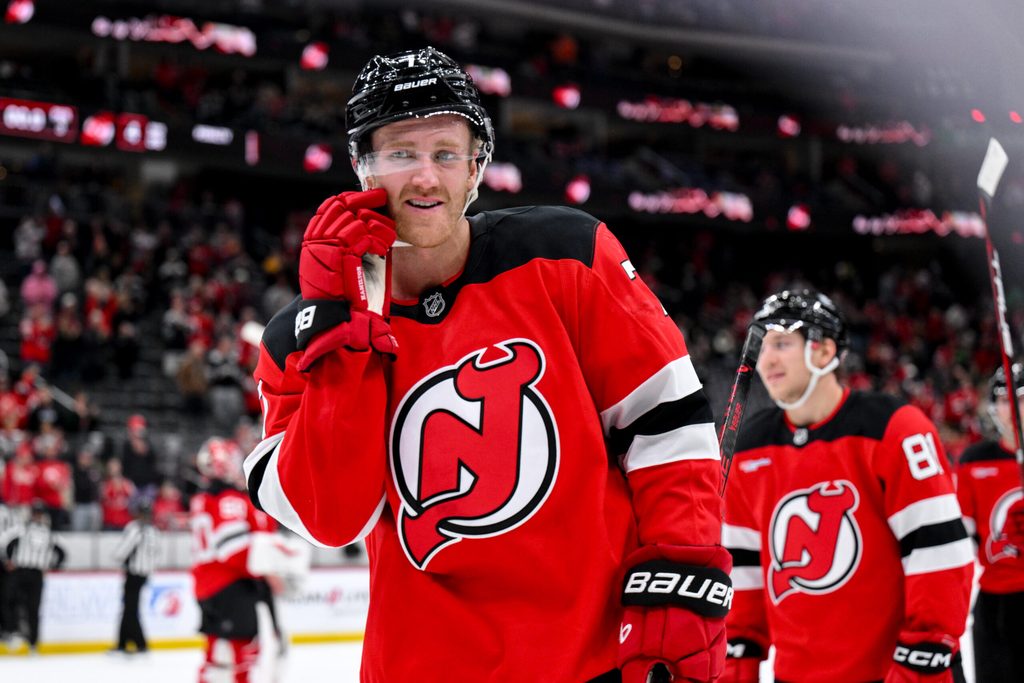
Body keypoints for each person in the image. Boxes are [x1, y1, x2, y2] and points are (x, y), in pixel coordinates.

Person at [244, 46, 727, 682]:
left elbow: (667, 424)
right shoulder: (294, 341)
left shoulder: (567, 256)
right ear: (361, 167)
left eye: (446, 153)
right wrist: (340, 335)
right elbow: (333, 519)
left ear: (477, 169)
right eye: (400, 153)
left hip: (590, 663)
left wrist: (684, 570)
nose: (425, 177)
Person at [721, 289, 973, 682]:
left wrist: (918, 665)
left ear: (824, 353)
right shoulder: (749, 446)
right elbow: (744, 576)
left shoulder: (894, 428)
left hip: (898, 673)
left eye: (782, 343)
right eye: (763, 344)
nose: (766, 358)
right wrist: (737, 669)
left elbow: (940, 558)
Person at [955, 362, 1024, 682]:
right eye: (1004, 399)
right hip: (994, 604)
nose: (1012, 408)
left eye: (1020, 398)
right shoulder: (974, 461)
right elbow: (961, 537)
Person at [191, 437, 278, 683]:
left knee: (213, 652)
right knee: (244, 651)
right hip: (230, 585)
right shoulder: (229, 499)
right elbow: (232, 549)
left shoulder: (202, 498)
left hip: (203, 584)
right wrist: (263, 575)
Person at [3, 502, 66, 654]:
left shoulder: (49, 534)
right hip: (20, 571)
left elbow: (61, 553)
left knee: (33, 608)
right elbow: (10, 545)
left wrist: (53, 565)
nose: (37, 515)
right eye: (35, 512)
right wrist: (9, 560)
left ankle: (33, 642)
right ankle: (12, 631)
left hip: (36, 573)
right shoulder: (22, 529)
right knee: (8, 599)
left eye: (39, 513)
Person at [111, 500, 159, 654]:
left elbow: (122, 552)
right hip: (144, 574)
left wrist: (117, 557)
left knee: (130, 609)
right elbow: (156, 555)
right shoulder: (154, 531)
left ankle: (139, 643)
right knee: (129, 608)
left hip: (133, 574)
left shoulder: (135, 529)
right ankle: (123, 643)